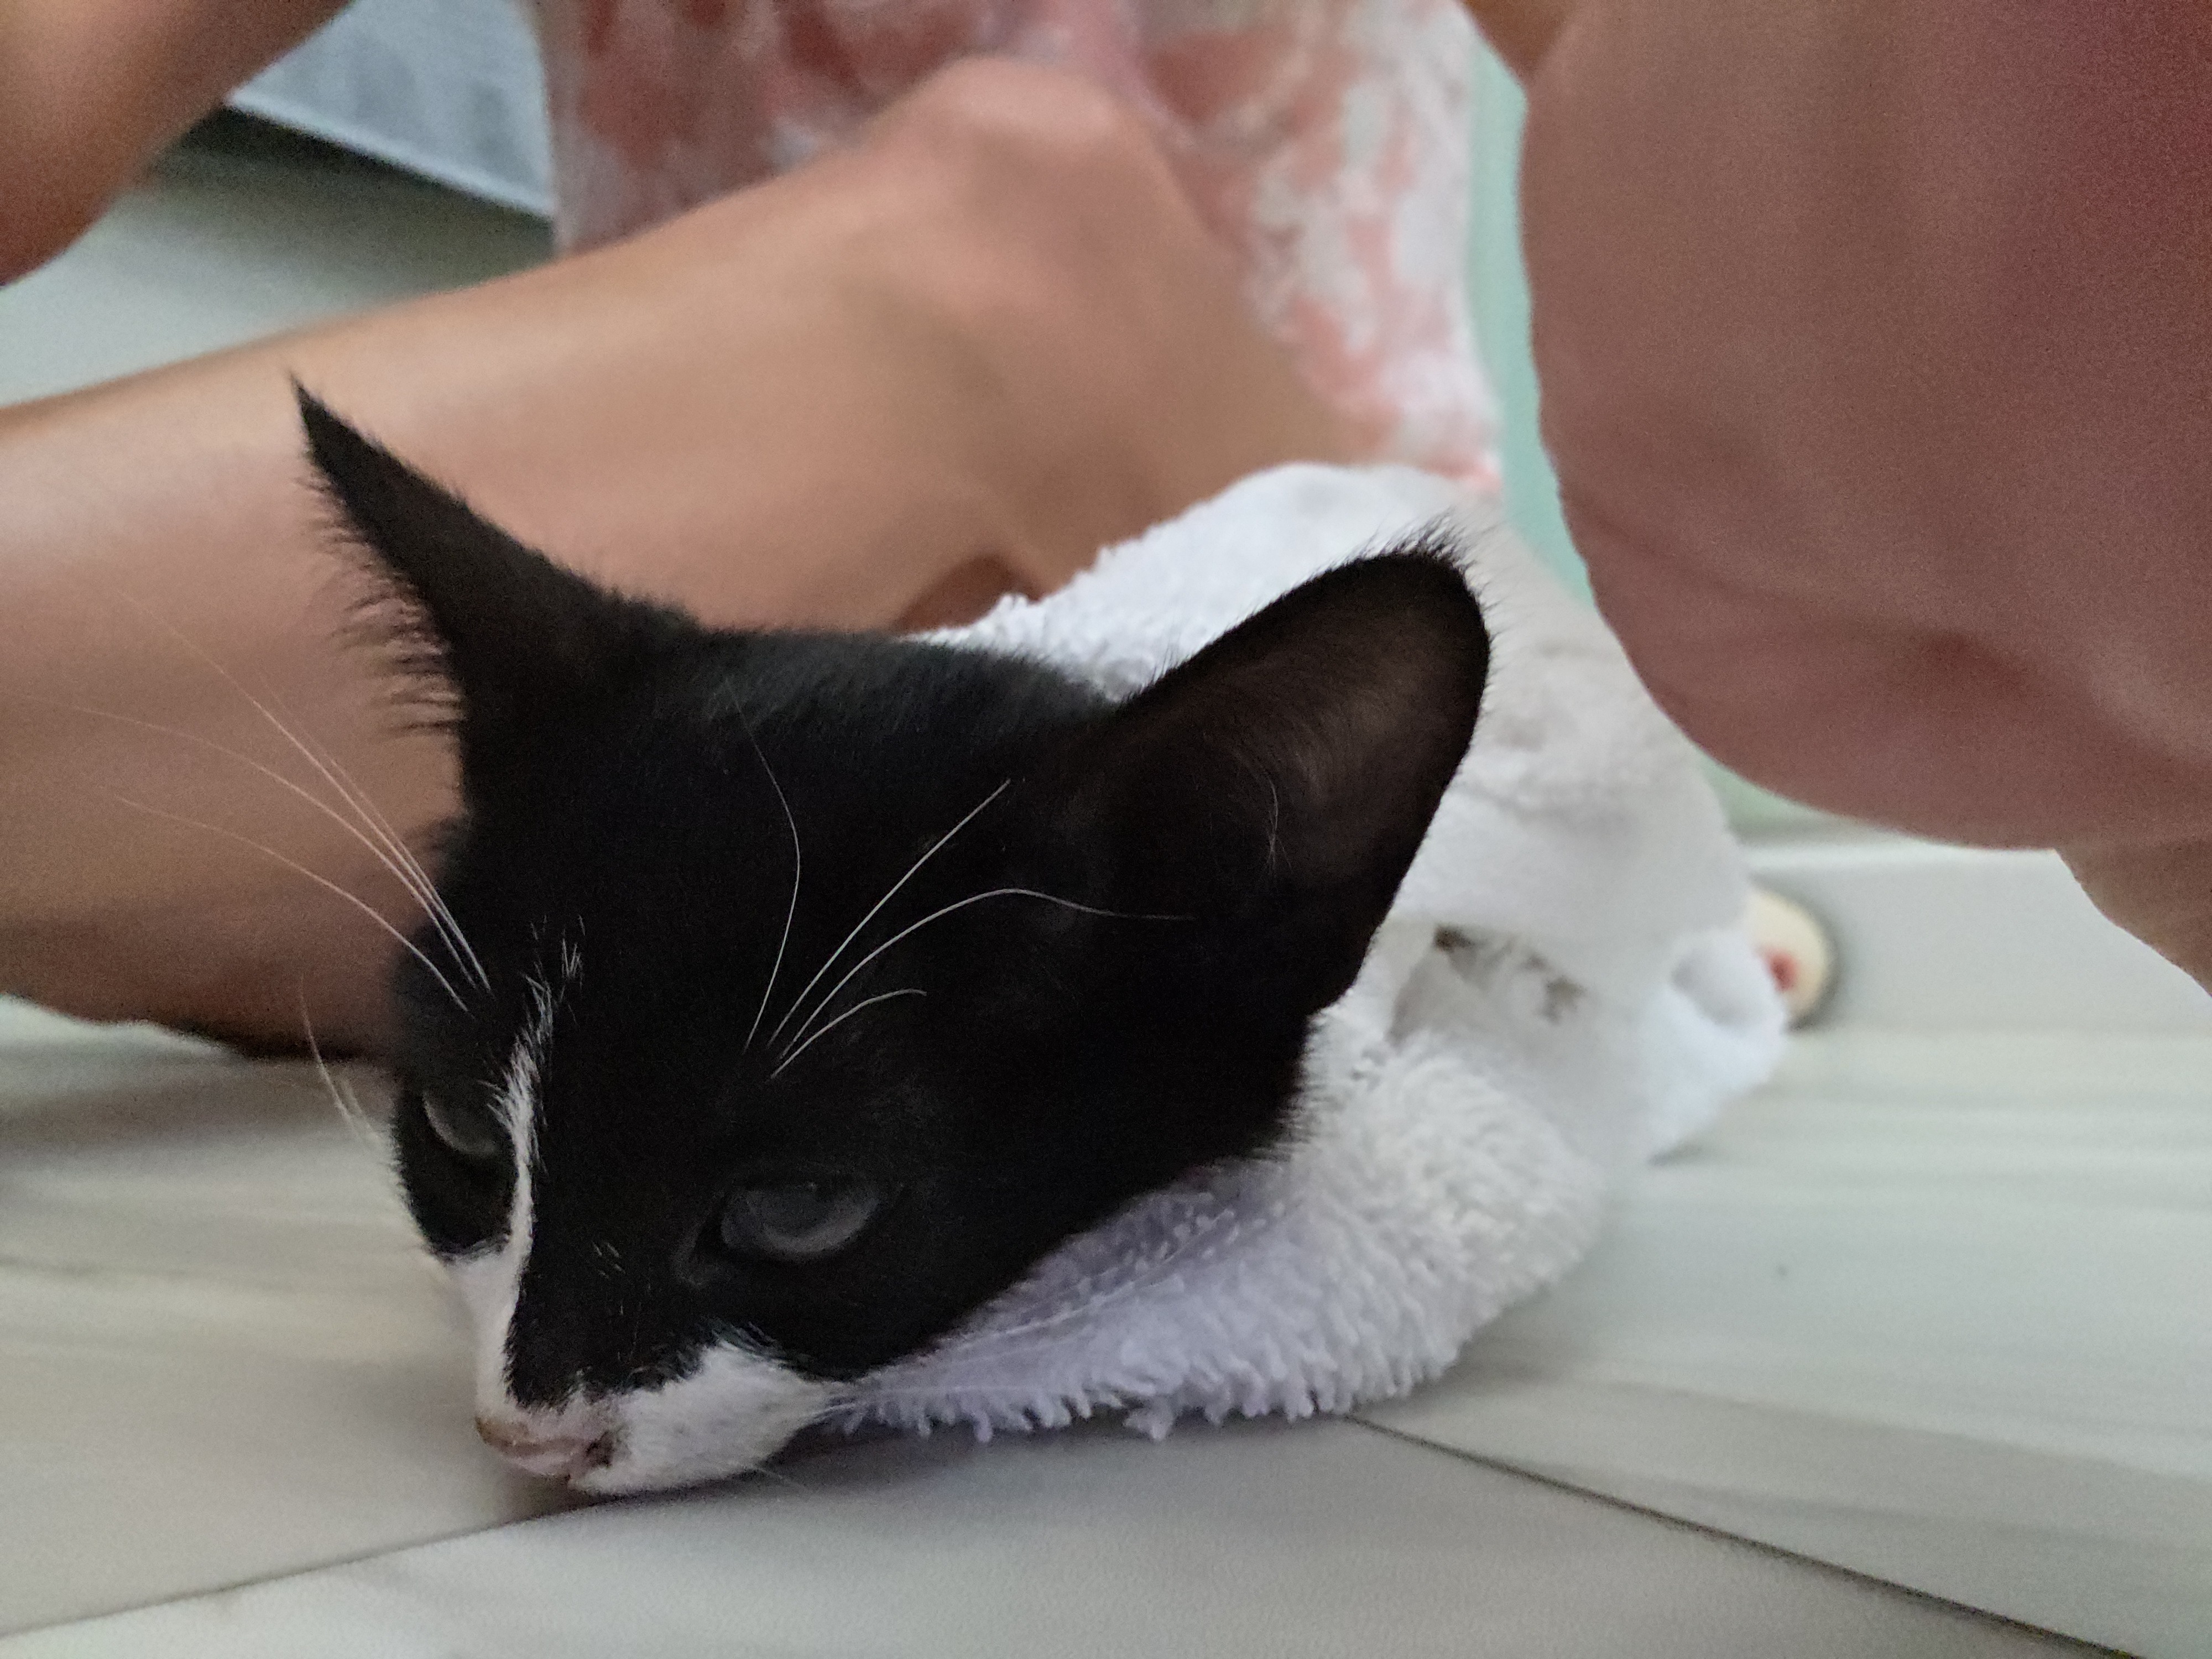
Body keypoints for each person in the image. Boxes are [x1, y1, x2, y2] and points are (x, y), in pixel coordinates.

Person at [1, 0, 2205, 1057]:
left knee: (1011, 236)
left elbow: (1784, 179)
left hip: (1276, 677)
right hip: (723, 749)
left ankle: (1560, 894)